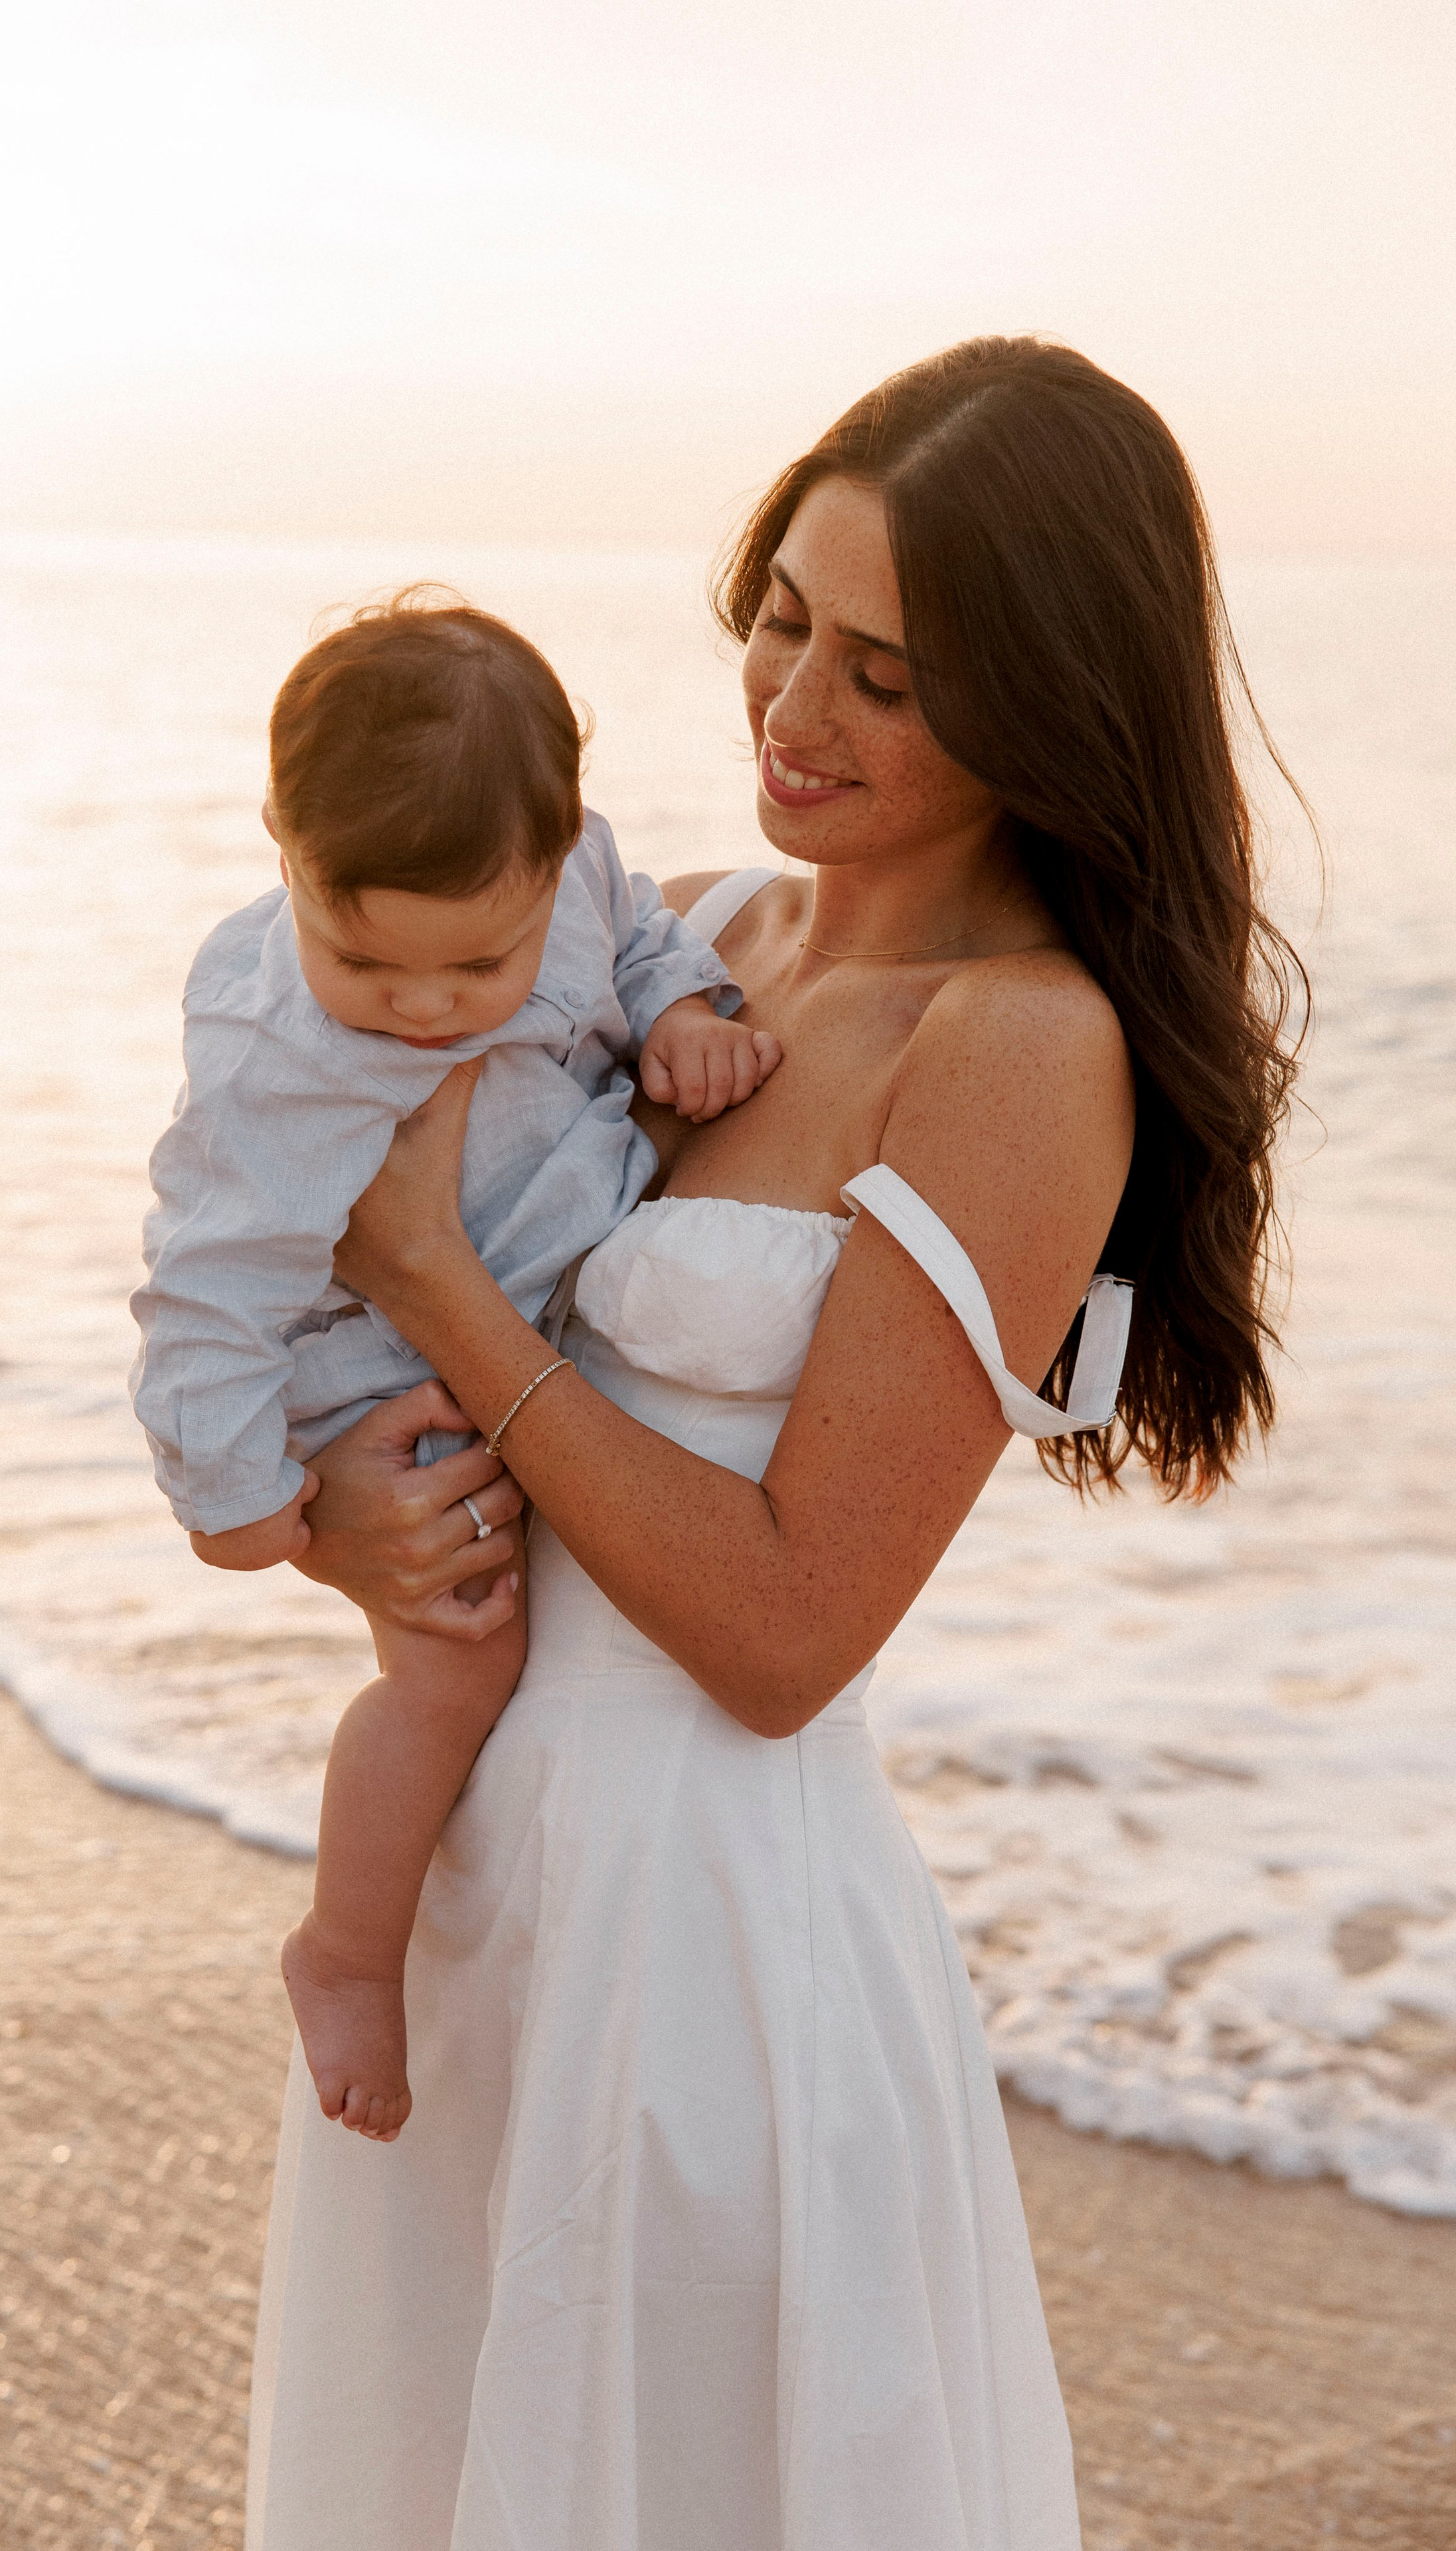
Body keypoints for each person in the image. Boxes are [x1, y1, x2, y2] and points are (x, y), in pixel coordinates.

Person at [248, 338, 1304, 2550]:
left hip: (697, 1948)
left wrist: (440, 1289)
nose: (794, 707)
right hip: (475, 1887)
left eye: (887, 678)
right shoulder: (701, 943)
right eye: (785, 619)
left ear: (1047, 708)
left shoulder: (1021, 1050)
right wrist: (343, 1512)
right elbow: (409, 1302)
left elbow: (790, 1632)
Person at [130, 597, 779, 2139]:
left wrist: (685, 1006)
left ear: (551, 859)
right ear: (284, 854)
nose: (421, 1010)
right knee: (458, 1662)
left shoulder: (577, 879)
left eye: (475, 965)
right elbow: (205, 1284)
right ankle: (347, 1952)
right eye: (362, 958)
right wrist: (236, 1496)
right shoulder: (275, 1054)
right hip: (378, 1363)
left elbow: (637, 930)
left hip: (526, 1290)